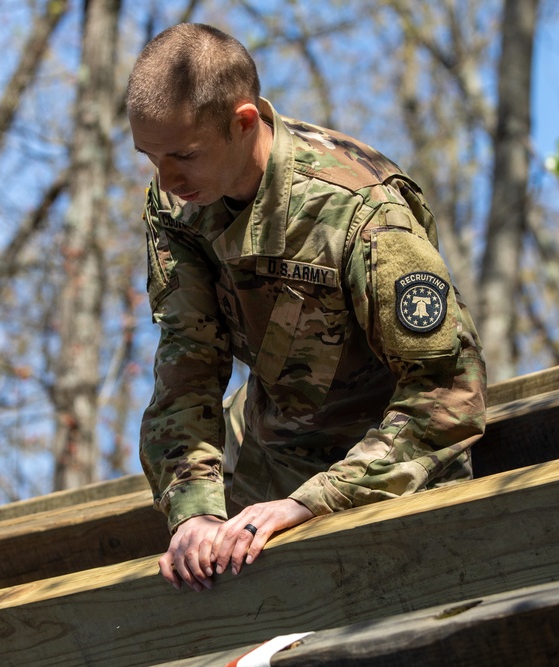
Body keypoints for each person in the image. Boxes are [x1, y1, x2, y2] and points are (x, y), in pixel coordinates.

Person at [127, 23, 487, 593]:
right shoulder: (179, 204)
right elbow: (188, 361)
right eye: (149, 157)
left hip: (395, 480)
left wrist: (313, 502)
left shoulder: (361, 211)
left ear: (243, 122)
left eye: (183, 156)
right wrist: (194, 509)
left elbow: (446, 396)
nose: (166, 179)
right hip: (266, 482)